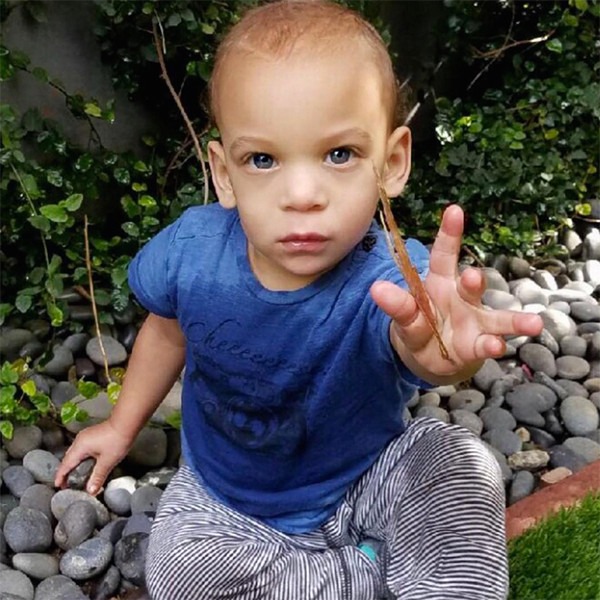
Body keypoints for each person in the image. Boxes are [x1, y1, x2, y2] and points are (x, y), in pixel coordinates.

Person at [55, 1, 543, 598]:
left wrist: (445, 352)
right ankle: (368, 573)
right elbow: (168, 329)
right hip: (230, 500)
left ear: (391, 163)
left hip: (367, 476)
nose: (303, 194)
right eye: (263, 160)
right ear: (225, 174)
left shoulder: (394, 277)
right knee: (179, 571)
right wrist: (121, 426)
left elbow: (414, 340)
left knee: (461, 464)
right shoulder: (191, 254)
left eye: (339, 154)